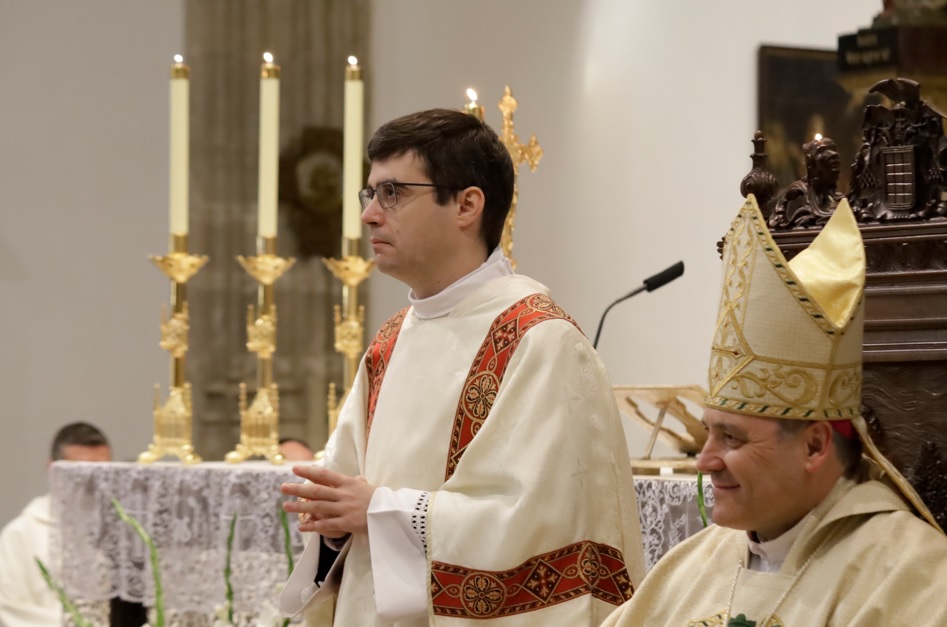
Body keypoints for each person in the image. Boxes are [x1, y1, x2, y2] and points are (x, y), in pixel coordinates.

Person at [279, 108, 645, 626]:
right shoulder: (389, 342)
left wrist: (381, 513)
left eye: (394, 193)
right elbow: (349, 497)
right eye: (371, 194)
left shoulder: (540, 341)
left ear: (467, 205)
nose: (369, 215)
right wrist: (335, 523)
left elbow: (542, 528)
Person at [602, 196, 947, 626]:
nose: (706, 461)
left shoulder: (911, 578)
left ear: (815, 445)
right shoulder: (695, 563)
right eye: (709, 434)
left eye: (732, 438)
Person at [0, 422, 111, 627]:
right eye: (80, 473)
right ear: (52, 470)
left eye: (101, 472)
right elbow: (8, 608)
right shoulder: (21, 534)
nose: (92, 483)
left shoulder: (121, 531)